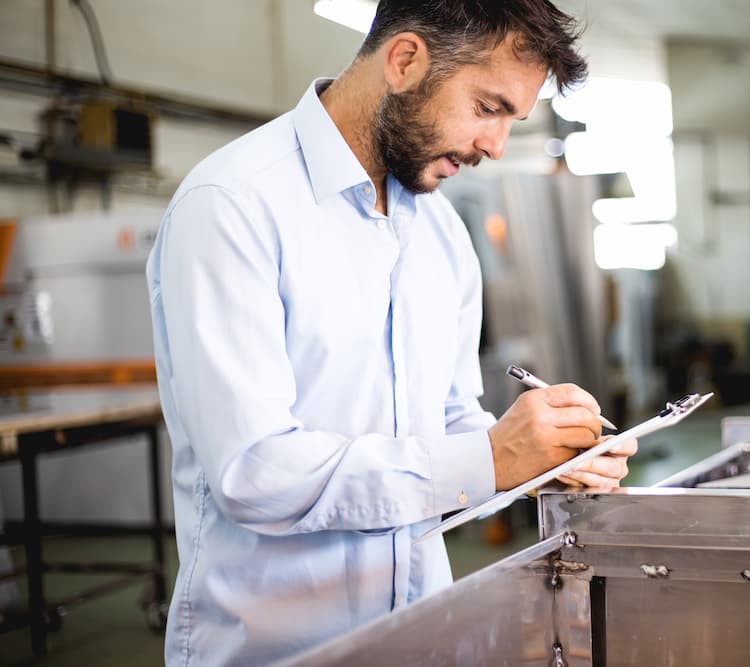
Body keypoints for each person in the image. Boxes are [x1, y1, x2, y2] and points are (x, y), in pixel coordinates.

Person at [146, 1, 637, 664]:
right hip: (275, 648)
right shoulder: (233, 207)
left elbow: (453, 423)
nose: (494, 146)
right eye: (488, 107)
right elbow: (254, 469)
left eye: (510, 121)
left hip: (423, 635)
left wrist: (541, 462)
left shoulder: (441, 234)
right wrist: (491, 458)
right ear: (405, 61)